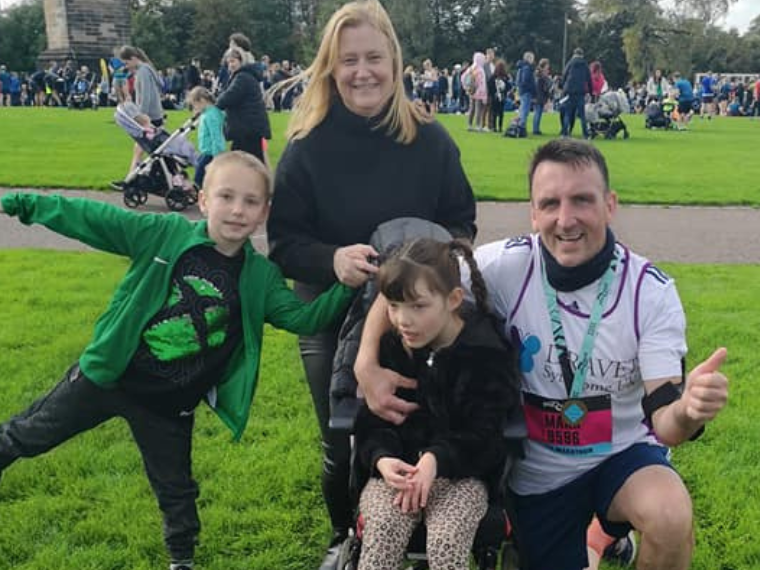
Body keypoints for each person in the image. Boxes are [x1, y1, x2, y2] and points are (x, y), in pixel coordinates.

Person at [355, 139, 729, 570]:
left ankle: (603, 531)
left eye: (582, 200)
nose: (565, 219)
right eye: (550, 203)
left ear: (610, 204)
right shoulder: (505, 265)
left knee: (669, 513)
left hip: (620, 456)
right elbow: (406, 284)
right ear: (533, 213)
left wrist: (689, 410)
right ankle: (596, 540)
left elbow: (666, 422)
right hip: (539, 474)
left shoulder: (650, 291)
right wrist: (366, 362)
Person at [0, 151, 358, 570]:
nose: (237, 210)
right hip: (105, 380)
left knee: (177, 491)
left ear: (264, 212)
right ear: (203, 200)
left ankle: (181, 560)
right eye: (226, 196)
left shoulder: (260, 276)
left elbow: (304, 317)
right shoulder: (163, 233)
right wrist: (24, 205)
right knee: (27, 435)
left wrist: (347, 283)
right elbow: (92, 218)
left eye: (250, 201)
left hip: (169, 406)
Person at [266, 2, 477, 568]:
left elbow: (462, 222)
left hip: (420, 316)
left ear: (395, 62)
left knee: (427, 419)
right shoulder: (307, 146)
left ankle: (432, 520)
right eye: (349, 60)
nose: (363, 72)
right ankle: (345, 532)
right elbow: (283, 241)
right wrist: (332, 259)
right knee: (344, 433)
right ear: (331, 68)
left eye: (374, 59)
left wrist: (430, 266)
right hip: (332, 309)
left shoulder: (430, 139)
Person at [354, 238, 521, 570]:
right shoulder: (391, 348)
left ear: (453, 299)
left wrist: (435, 460)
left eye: (418, 306)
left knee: (447, 542)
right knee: (383, 532)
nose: (403, 319)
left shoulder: (485, 353)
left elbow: (485, 435)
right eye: (394, 305)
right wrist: (383, 460)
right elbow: (372, 423)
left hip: (462, 475)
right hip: (396, 474)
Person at [112, 46, 164, 188]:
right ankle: (131, 179)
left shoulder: (143, 72)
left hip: (149, 117)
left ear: (133, 59)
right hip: (153, 115)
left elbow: (145, 96)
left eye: (126, 63)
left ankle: (131, 180)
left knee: (144, 150)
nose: (126, 67)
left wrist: (140, 117)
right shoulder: (145, 70)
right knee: (142, 150)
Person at [215, 48, 271, 162]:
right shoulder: (245, 76)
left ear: (241, 61)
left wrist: (213, 105)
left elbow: (228, 97)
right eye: (229, 62)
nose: (231, 65)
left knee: (243, 161)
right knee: (254, 161)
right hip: (250, 127)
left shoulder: (242, 77)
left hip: (246, 128)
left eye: (233, 61)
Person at [186, 86, 226, 188]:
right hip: (206, 151)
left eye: (195, 105)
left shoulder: (211, 115)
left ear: (202, 101)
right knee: (199, 169)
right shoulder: (207, 113)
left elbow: (216, 135)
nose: (195, 108)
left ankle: (197, 191)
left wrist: (217, 155)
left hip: (211, 152)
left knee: (199, 176)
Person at [561, 47, 592, 139]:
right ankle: (585, 134)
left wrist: (564, 87)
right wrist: (590, 91)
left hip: (569, 91)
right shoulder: (585, 64)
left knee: (567, 113)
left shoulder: (570, 63)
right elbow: (589, 79)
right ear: (582, 55)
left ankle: (565, 133)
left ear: (574, 54)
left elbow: (564, 75)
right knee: (582, 115)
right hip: (580, 92)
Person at [516, 51, 536, 136]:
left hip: (522, 91)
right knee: (525, 110)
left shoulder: (521, 67)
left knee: (522, 109)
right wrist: (531, 89)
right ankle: (522, 128)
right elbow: (526, 80)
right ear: (529, 58)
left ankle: (520, 127)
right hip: (526, 91)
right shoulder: (527, 68)